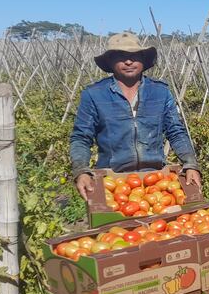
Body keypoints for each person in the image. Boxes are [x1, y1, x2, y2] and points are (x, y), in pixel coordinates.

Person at [70, 31, 201, 199]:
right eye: (120, 56)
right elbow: (81, 137)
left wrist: (190, 163)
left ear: (143, 59)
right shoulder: (94, 95)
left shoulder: (160, 92)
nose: (128, 61)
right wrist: (81, 170)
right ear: (110, 61)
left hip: (155, 179)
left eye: (134, 56)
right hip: (112, 180)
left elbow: (176, 131)